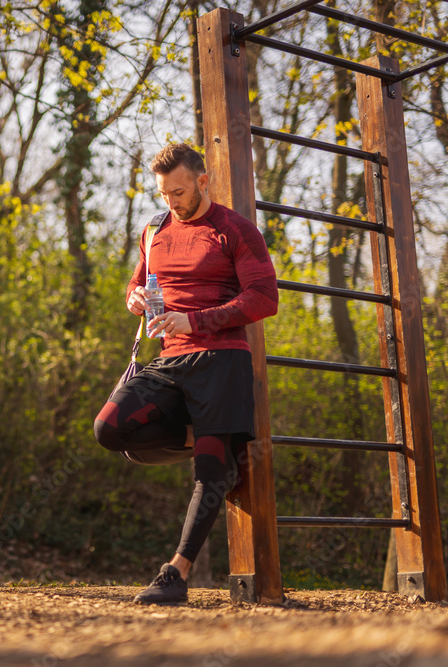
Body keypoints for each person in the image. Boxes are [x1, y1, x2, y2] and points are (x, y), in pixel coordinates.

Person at [94, 143, 278, 604]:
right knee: (109, 428)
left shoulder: (235, 229)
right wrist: (133, 296)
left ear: (202, 180)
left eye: (178, 191)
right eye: (163, 193)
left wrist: (195, 320)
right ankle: (216, 447)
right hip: (170, 360)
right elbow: (141, 281)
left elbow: (264, 299)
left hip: (221, 360)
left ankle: (176, 573)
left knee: (210, 471)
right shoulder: (154, 230)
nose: (171, 201)